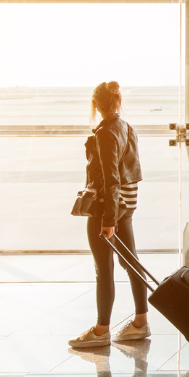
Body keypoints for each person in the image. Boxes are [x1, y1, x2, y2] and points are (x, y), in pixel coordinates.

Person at [69, 80, 149, 348]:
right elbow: (131, 172)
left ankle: (101, 330)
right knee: (132, 263)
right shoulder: (127, 127)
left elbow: (110, 178)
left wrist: (107, 221)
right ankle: (140, 322)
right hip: (127, 204)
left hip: (108, 208)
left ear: (95, 105)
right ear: (118, 101)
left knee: (104, 270)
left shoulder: (105, 132)